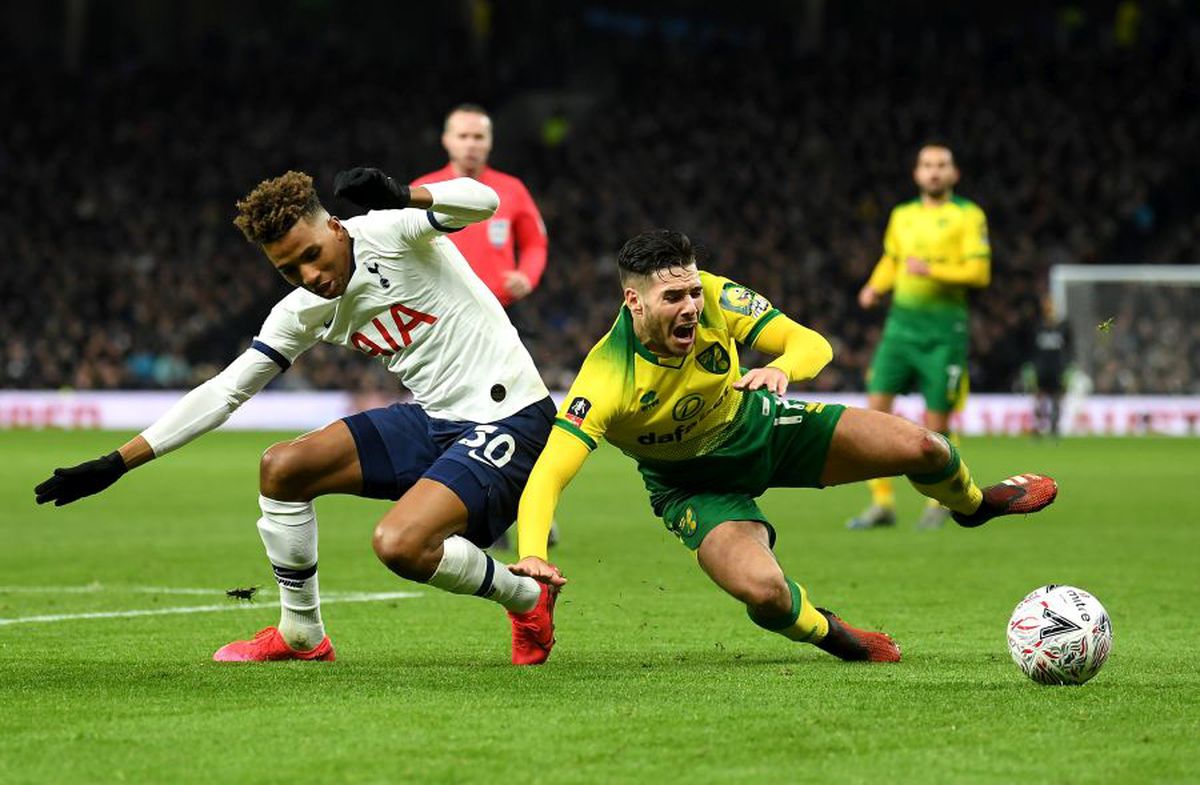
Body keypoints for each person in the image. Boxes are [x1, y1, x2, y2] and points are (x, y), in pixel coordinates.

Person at [34, 168, 560, 665]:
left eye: (312, 255)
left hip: (510, 414)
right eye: (289, 269)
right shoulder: (302, 309)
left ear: (334, 226)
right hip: (436, 418)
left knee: (399, 544)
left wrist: (405, 193)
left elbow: (483, 202)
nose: (310, 276)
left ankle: (525, 596)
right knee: (283, 467)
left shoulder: (390, 231)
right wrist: (118, 462)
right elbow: (224, 392)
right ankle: (301, 634)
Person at [509, 229, 1057, 664]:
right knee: (766, 592)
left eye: (693, 291)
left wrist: (779, 369)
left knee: (925, 448)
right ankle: (833, 634)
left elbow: (811, 344)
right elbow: (549, 473)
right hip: (693, 486)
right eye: (672, 296)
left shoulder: (721, 297)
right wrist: (532, 552)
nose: (691, 307)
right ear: (635, 302)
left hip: (761, 424)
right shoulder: (606, 378)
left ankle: (974, 506)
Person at [412, 102, 557, 551]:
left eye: (479, 137)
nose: (471, 144)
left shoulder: (510, 191)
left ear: (489, 143)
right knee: (453, 418)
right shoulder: (422, 190)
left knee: (517, 416)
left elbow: (535, 242)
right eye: (463, 136)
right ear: (447, 140)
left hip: (498, 319)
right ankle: (476, 513)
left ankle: (530, 508)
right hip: (441, 327)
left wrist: (527, 278)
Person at [850, 143, 992, 530]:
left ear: (953, 174)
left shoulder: (967, 215)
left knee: (936, 425)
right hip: (900, 327)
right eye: (927, 165)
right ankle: (882, 504)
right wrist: (874, 287)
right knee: (873, 415)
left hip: (943, 331)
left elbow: (979, 274)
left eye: (941, 165)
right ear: (916, 174)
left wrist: (932, 271)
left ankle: (940, 503)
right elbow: (893, 261)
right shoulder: (902, 215)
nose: (933, 171)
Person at [1030, 295, 1071, 438]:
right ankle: (1037, 427)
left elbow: (1069, 348)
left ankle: (1054, 427)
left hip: (1057, 368)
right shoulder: (1037, 327)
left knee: (1056, 399)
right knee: (1039, 398)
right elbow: (1032, 349)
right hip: (1041, 368)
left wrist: (1068, 368)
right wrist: (1032, 367)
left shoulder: (1063, 328)